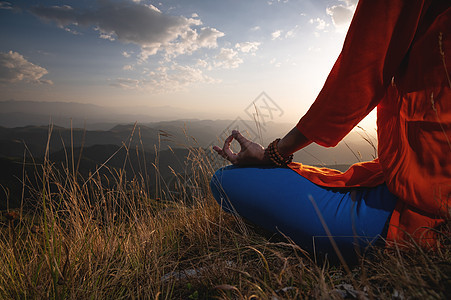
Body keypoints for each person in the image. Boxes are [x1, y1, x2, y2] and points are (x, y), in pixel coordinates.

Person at [210, 0, 450, 260]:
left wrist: (273, 154)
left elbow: (356, 81)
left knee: (224, 181)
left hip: (424, 206)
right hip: (420, 179)